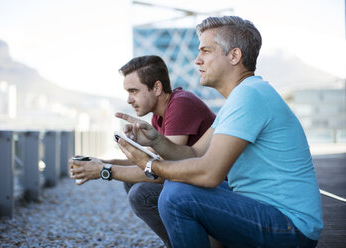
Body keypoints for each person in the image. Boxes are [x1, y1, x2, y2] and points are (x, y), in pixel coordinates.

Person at [116, 16, 323, 248]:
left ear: (234, 56)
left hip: (290, 227)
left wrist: (150, 166)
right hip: (261, 210)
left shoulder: (250, 96)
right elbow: (194, 153)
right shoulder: (240, 98)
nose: (197, 60)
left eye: (206, 51)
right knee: (163, 191)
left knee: (176, 196)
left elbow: (210, 174)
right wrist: (156, 140)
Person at [70, 55, 216, 248]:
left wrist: (104, 171)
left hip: (217, 186)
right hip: (196, 182)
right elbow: (151, 163)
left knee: (141, 193)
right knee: (132, 183)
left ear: (156, 88)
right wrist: (102, 162)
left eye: (134, 91)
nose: (129, 100)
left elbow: (164, 172)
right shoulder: (158, 115)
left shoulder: (181, 104)